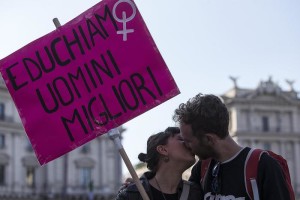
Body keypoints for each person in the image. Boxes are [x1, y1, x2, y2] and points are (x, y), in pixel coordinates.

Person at [173, 93, 291, 199]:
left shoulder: (265, 166)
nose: (187, 147)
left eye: (188, 141)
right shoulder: (202, 168)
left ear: (208, 139)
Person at [116, 127, 203, 200]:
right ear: (163, 150)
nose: (189, 144)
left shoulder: (196, 194)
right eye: (181, 139)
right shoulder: (132, 195)